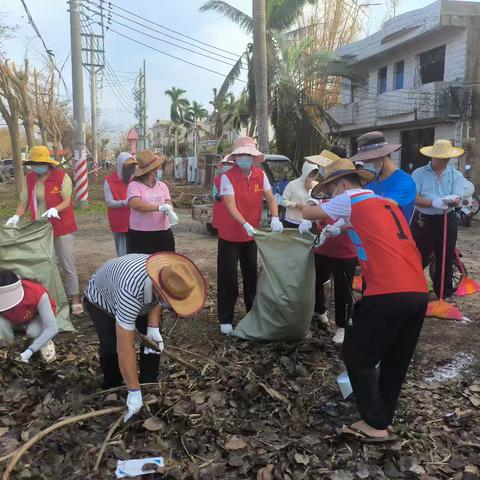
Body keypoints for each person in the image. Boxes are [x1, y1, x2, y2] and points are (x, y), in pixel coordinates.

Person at [303, 158, 428, 442]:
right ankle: (381, 420)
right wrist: (341, 228)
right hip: (417, 291)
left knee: (356, 355)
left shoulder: (349, 197)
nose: (330, 195)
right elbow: (368, 229)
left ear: (341, 183)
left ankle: (373, 422)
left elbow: (311, 212)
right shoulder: (383, 203)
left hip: (388, 291)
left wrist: (295, 205)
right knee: (395, 360)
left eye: (330, 188)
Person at [84, 252, 206, 421]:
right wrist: (134, 392)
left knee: (152, 345)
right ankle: (114, 388)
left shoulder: (166, 272)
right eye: (170, 303)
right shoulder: (130, 292)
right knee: (111, 347)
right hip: (102, 301)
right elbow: (125, 349)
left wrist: (153, 328)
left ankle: (148, 385)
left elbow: (155, 299)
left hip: (140, 294)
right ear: (161, 291)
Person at [217, 137, 283, 335]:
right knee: (228, 277)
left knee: (251, 276)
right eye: (241, 156)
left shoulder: (260, 175)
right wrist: (244, 222)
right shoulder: (227, 178)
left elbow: (271, 198)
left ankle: (252, 313)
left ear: (254, 158)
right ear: (235, 158)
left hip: (250, 237)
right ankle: (226, 318)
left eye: (249, 155)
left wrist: (275, 217)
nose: (245, 159)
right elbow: (230, 205)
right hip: (230, 236)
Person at [5, 146, 82, 315]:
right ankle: (47, 299)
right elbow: (24, 202)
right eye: (33, 163)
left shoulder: (61, 177)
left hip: (61, 227)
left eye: (39, 163)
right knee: (44, 265)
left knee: (66, 263)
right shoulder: (30, 178)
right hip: (39, 229)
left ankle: (75, 299)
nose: (36, 166)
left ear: (47, 163)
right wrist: (16, 216)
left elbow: (67, 200)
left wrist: (56, 209)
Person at [411, 139, 465, 299]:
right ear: (433, 156)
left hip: (446, 218)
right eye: (441, 157)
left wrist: (452, 200)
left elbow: (458, 196)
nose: (445, 160)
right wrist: (433, 202)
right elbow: (412, 197)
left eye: (447, 157)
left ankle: (444, 294)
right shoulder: (419, 173)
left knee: (445, 256)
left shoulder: (456, 175)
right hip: (423, 219)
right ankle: (412, 289)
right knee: (417, 255)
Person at [351, 131, 417, 222]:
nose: (365, 166)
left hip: (391, 234)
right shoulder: (371, 181)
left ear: (381, 157)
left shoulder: (404, 182)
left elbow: (383, 206)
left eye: (368, 161)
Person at [0, 268, 58, 363]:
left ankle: (44, 343)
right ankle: (7, 349)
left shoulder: (36, 292)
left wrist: (30, 351)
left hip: (33, 318)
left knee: (34, 332)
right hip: (10, 319)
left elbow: (52, 328)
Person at [127, 150, 178, 254]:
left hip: (163, 233)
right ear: (152, 170)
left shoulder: (162, 185)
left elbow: (168, 202)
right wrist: (159, 207)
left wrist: (170, 210)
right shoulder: (134, 185)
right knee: (141, 266)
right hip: (141, 234)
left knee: (165, 264)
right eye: (157, 167)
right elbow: (135, 204)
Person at [104, 152, 137, 256]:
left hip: (135, 221)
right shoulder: (109, 181)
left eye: (132, 166)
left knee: (135, 251)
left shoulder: (134, 180)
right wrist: (125, 202)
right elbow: (109, 202)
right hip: (119, 221)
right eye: (128, 167)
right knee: (122, 252)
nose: (131, 170)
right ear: (120, 166)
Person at [281, 161, 318, 228]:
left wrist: (309, 189)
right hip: (291, 221)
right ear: (305, 171)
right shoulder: (292, 184)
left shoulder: (317, 185)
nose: (312, 175)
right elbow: (283, 201)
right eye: (310, 172)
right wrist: (296, 205)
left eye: (314, 173)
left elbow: (317, 202)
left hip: (309, 223)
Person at [211, 155, 234, 231]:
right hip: (221, 209)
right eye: (225, 164)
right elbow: (215, 195)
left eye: (229, 164)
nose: (227, 166)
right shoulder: (217, 179)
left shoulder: (238, 178)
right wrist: (219, 196)